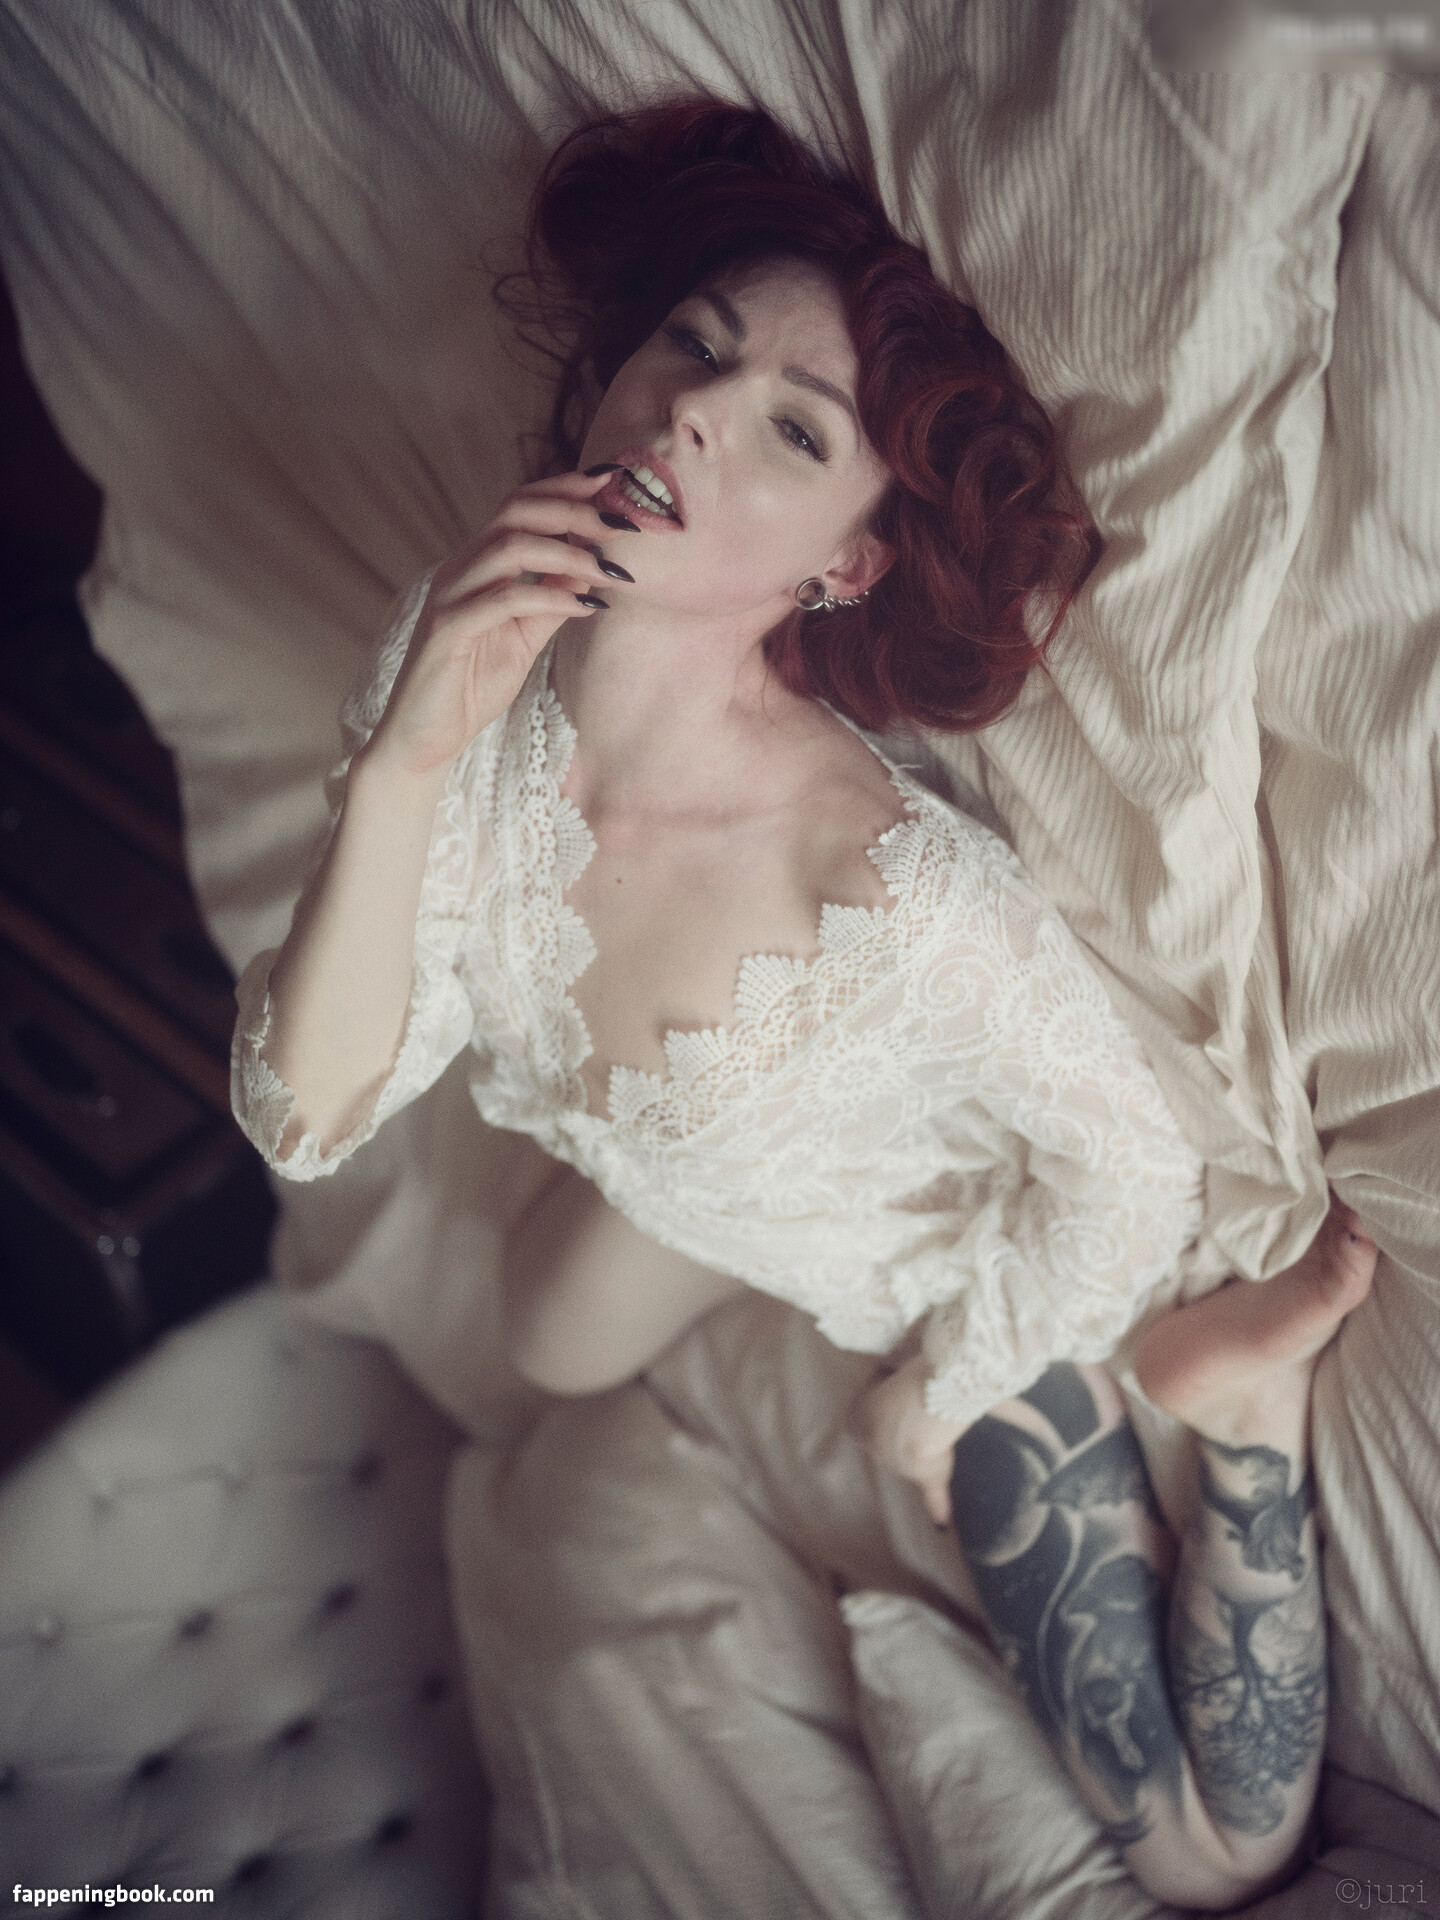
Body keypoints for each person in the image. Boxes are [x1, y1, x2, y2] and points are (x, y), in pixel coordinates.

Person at [230, 97, 1377, 1910]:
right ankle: (708, 1172)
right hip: (683, 1172)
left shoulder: (887, 889)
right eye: (692, 347)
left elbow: (1131, 1166)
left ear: (846, 560)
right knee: (539, 1344)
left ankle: (1237, 1408)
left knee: (1215, 1856)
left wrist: (945, 1391)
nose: (693, 410)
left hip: (947, 1260)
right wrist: (405, 764)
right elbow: (310, 1116)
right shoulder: (458, 657)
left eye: (792, 426)